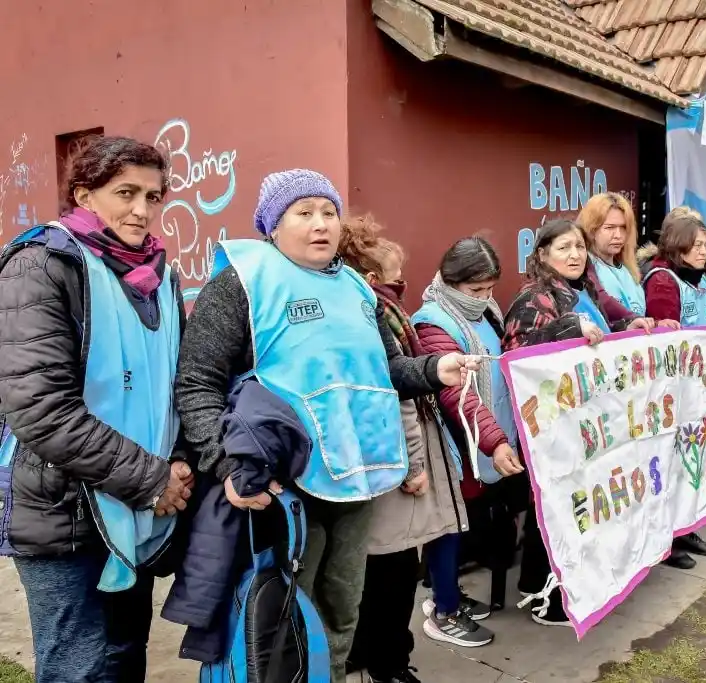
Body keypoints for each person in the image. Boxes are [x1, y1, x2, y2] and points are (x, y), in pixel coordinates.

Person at [173, 170, 477, 679]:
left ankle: (330, 674)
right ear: (272, 224)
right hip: (284, 484)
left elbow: (384, 370)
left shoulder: (356, 287)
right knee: (287, 611)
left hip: (355, 475)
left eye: (329, 212)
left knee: (342, 604)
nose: (321, 224)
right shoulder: (242, 284)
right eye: (304, 212)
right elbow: (197, 383)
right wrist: (226, 464)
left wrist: (432, 370)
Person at [0, 136, 192, 682]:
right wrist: (152, 479)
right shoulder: (40, 265)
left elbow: (172, 387)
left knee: (124, 658)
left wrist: (176, 463)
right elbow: (38, 407)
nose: (142, 209)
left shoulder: (157, 276)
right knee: (77, 669)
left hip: (140, 505)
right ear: (84, 195)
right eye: (125, 192)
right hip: (63, 511)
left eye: (153, 197)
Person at [334, 218, 482, 682]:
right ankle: (392, 663)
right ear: (374, 281)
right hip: (396, 458)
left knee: (363, 566)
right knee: (395, 569)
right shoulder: (382, 317)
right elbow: (397, 396)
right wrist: (415, 466)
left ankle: (360, 650)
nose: (405, 287)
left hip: (361, 457)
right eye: (399, 278)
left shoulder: (346, 311)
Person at [503, 219, 660, 626]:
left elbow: (603, 328)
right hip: (553, 427)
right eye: (563, 248)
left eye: (578, 247)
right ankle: (543, 592)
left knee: (577, 506)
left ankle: (553, 583)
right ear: (541, 255)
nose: (574, 255)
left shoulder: (581, 289)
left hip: (586, 422)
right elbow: (519, 356)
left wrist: (629, 326)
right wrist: (569, 327)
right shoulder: (533, 297)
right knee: (556, 506)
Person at [413, 237, 531, 625]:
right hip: (455, 445)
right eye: (474, 289)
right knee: (450, 526)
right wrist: (494, 441)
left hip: (483, 438)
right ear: (450, 280)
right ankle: (443, 609)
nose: (483, 297)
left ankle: (449, 595)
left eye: (489, 288)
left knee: (468, 523)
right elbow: (457, 395)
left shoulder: (488, 313)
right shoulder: (432, 322)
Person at [641, 210, 706, 566]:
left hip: (701, 389)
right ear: (678, 245)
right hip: (675, 392)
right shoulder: (662, 280)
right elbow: (663, 340)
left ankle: (686, 526)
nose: (704, 251)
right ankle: (667, 539)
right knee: (670, 464)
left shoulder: (702, 279)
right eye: (697, 244)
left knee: (693, 462)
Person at [577, 192, 646, 315]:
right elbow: (602, 302)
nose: (618, 235)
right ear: (591, 230)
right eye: (609, 228)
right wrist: (633, 320)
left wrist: (658, 323)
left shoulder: (628, 268)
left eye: (623, 227)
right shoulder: (583, 265)